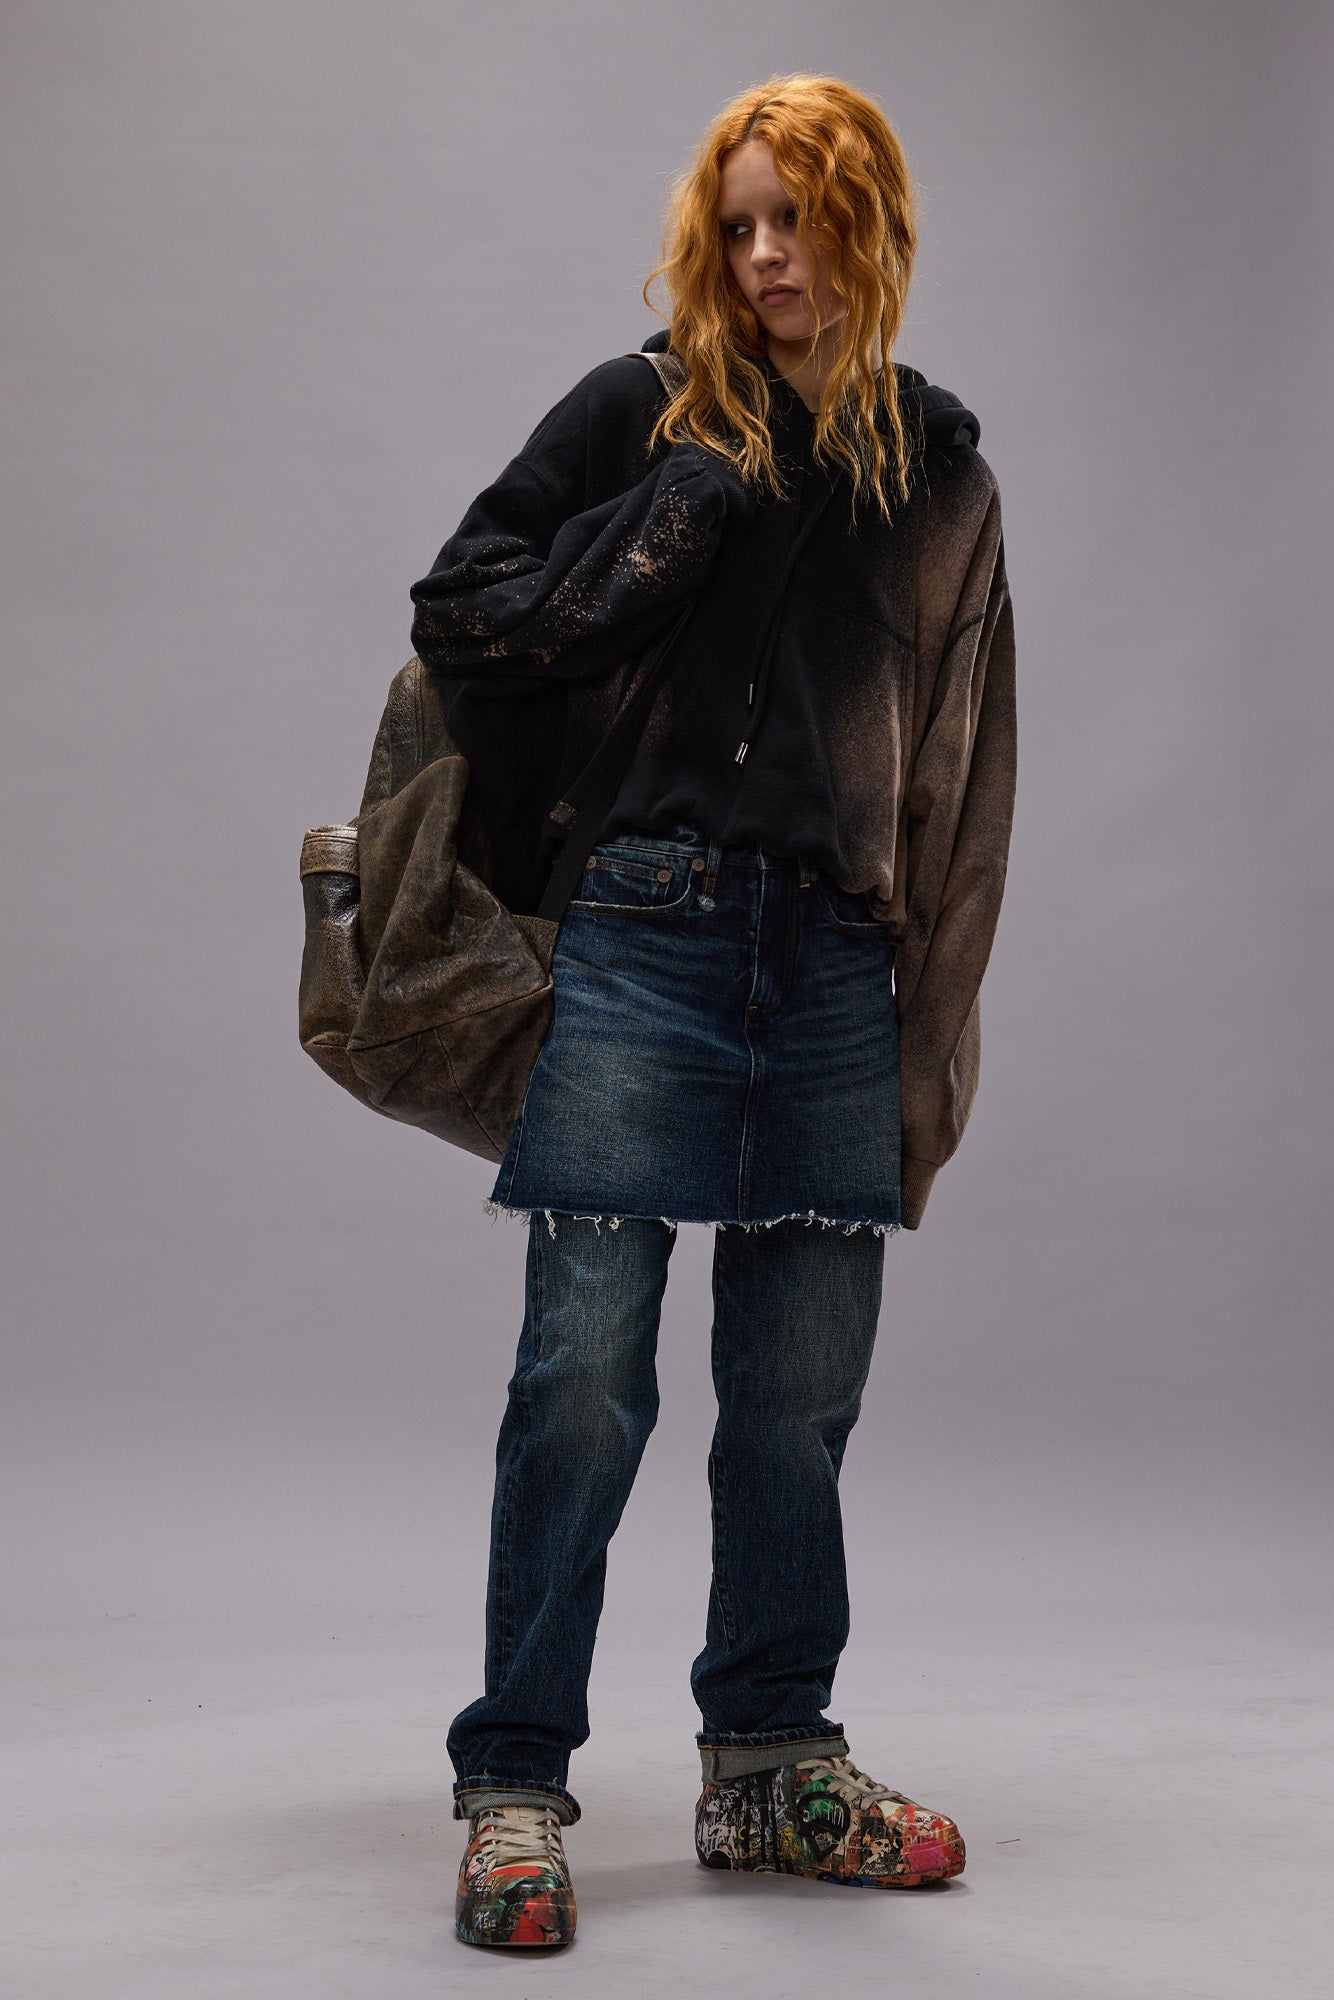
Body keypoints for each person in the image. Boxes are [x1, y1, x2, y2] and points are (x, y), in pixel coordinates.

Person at [407, 71, 1017, 1951]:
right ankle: (515, 1787)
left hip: (834, 963)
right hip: (642, 940)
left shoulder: (939, 476)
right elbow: (464, 607)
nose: (763, 255)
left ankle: (769, 1762)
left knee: (799, 1397)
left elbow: (961, 786)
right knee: (580, 1378)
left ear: (867, 225)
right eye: (738, 222)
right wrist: (674, 509)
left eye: (796, 217)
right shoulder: (641, 413)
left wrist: (929, 1034)